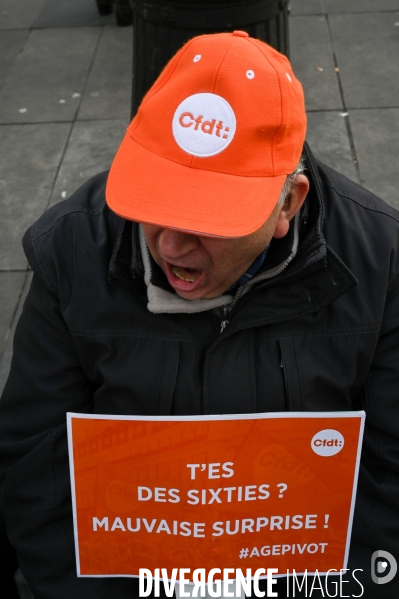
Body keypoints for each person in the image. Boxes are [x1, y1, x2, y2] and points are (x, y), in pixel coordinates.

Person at [0, 31, 398, 599]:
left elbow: (390, 469)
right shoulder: (71, 251)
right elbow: (35, 458)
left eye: (209, 218)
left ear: (289, 203)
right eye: (156, 201)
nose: (171, 247)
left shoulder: (381, 261)